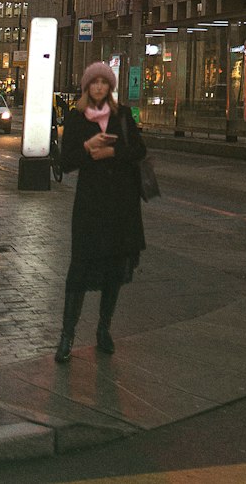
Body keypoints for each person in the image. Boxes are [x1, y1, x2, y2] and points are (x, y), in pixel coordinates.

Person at [54, 61, 147, 363]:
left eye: (104, 83)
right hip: (91, 205)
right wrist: (89, 146)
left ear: (110, 87)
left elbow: (139, 151)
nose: (98, 88)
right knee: (79, 270)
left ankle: (103, 330)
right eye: (93, 83)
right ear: (86, 87)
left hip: (121, 205)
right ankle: (66, 336)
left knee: (114, 271)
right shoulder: (76, 117)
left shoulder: (122, 116)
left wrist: (112, 151)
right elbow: (65, 162)